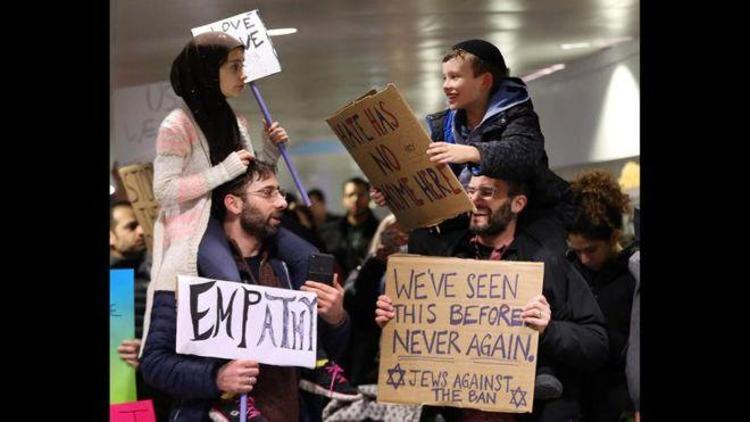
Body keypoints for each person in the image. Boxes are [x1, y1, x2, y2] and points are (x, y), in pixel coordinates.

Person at [376, 174, 609, 421]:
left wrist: (549, 330)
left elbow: (597, 344)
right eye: (470, 191)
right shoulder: (442, 260)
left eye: (487, 192)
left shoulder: (548, 265)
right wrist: (399, 321)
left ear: (517, 203)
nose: (474, 200)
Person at [140, 161, 354, 421]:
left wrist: (336, 319)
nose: (282, 203)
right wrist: (216, 378)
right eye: (267, 193)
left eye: (280, 192)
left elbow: (323, 357)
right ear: (233, 204)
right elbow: (154, 363)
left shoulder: (286, 268)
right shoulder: (189, 269)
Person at [566, 170, 638, 421]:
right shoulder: (569, 273)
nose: (584, 259)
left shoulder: (633, 277)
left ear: (614, 237)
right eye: (576, 251)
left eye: (591, 250)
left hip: (623, 404)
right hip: (580, 404)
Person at [110, 200, 173, 421]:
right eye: (130, 226)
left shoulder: (156, 274)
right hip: (123, 395)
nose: (140, 231)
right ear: (110, 236)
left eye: (141, 225)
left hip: (159, 393)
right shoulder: (117, 283)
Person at [320, 178, 380, 279]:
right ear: (343, 199)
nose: (355, 199)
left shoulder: (380, 230)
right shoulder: (328, 232)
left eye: (360, 195)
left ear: (369, 198)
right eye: (350, 195)